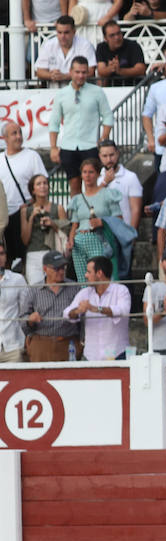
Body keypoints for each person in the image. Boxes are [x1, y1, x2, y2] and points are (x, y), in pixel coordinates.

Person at [47, 56, 112, 183]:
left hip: (90, 145)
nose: (81, 76)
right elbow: (54, 122)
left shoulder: (97, 92)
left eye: (84, 72)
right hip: (68, 146)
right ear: (70, 72)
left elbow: (108, 116)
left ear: (88, 73)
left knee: (93, 183)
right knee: (74, 185)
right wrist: (53, 147)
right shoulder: (61, 94)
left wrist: (104, 137)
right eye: (77, 72)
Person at [64, 255, 130, 360]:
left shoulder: (121, 290)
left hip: (117, 354)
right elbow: (66, 314)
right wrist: (77, 311)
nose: (85, 275)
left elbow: (123, 311)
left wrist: (97, 309)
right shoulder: (84, 293)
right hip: (90, 356)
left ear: (99, 273)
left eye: (88, 272)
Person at [18, 253, 79, 361]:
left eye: (63, 268)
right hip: (41, 344)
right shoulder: (34, 290)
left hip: (69, 344)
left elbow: (83, 319)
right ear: (45, 269)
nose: (61, 272)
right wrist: (30, 320)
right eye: (57, 268)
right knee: (39, 377)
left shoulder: (74, 288)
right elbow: (22, 319)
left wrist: (81, 342)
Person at [1, 123, 45, 272]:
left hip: (25, 213)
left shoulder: (32, 156)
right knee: (5, 256)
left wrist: (31, 204)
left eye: (20, 132)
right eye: (14, 133)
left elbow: (42, 182)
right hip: (4, 217)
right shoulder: (0, 159)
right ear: (4, 138)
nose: (19, 136)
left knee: (26, 255)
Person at [94, 20, 145, 88]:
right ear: (105, 38)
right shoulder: (101, 47)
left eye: (119, 33)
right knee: (100, 78)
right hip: (111, 86)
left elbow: (141, 69)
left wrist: (120, 71)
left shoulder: (133, 46)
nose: (117, 37)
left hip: (133, 86)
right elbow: (101, 70)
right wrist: (111, 68)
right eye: (112, 35)